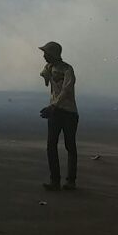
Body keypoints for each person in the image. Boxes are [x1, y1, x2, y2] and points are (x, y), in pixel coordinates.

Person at [38, 41, 78, 191]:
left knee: (70, 146)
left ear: (53, 54)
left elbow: (67, 90)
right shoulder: (50, 67)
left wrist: (54, 106)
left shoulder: (67, 69)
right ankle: (55, 180)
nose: (44, 56)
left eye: (46, 53)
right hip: (55, 110)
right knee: (51, 146)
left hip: (68, 111)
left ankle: (70, 180)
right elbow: (44, 75)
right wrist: (46, 77)